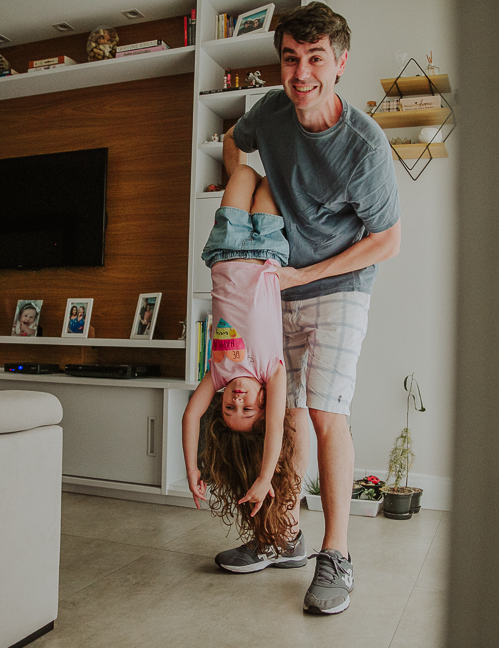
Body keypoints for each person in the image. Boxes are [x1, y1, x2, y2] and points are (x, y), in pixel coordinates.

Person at [220, 2, 401, 615]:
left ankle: (337, 555)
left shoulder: (364, 146)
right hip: (278, 285)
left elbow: (388, 239)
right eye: (291, 59)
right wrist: (241, 213)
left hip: (339, 283)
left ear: (340, 63)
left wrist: (307, 271)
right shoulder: (270, 112)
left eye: (315, 59)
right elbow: (231, 142)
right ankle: (283, 536)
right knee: (287, 414)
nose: (301, 74)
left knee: (324, 411)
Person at [182, 166, 303, 560]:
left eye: (229, 407)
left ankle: (243, 136)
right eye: (246, 408)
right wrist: (265, 475)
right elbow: (274, 436)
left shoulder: (217, 375)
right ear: (265, 405)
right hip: (268, 251)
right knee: (272, 178)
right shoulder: (273, 371)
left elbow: (190, 417)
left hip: (226, 247)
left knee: (245, 172)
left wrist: (192, 469)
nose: (236, 399)